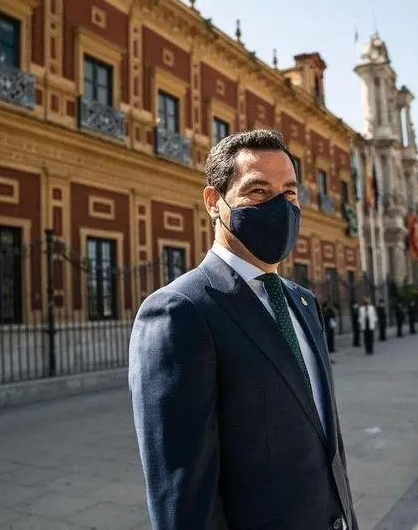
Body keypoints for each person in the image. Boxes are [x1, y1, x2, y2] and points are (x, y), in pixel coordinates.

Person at [128, 130, 357, 530]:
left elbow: (325, 438)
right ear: (214, 202)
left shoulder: (302, 301)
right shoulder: (179, 310)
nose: (279, 207)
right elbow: (182, 491)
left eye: (289, 192)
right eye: (257, 191)